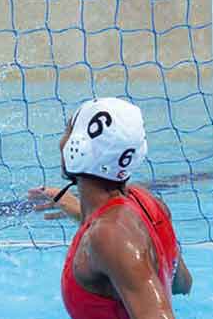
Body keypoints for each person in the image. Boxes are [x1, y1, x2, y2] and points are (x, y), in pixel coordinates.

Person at [28, 98, 192, 319]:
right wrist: (78, 210)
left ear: (79, 147)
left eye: (68, 131)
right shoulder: (147, 203)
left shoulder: (108, 236)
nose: (62, 141)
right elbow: (181, 283)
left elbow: (117, 243)